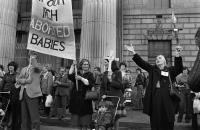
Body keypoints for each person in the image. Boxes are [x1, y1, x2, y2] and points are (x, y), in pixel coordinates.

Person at [125, 44, 183, 130]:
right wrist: (134, 52)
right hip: (156, 98)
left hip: (168, 99)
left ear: (164, 61)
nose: (157, 59)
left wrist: (177, 55)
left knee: (168, 120)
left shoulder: (170, 70)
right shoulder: (152, 69)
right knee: (156, 121)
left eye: (159, 58)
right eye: (156, 59)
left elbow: (179, 68)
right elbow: (142, 63)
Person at [16, 53, 42, 130]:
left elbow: (29, 80)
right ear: (28, 59)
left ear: (36, 60)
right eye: (30, 58)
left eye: (34, 58)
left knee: (34, 116)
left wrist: (21, 81)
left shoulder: (38, 68)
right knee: (24, 116)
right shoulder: (24, 69)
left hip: (33, 94)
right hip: (23, 93)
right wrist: (22, 81)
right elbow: (17, 80)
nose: (31, 59)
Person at [68, 59, 95, 129]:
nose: (86, 65)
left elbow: (89, 83)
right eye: (84, 64)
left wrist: (81, 78)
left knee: (84, 121)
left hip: (85, 99)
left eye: (87, 64)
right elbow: (70, 75)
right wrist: (73, 65)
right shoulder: (78, 73)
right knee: (77, 121)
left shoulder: (90, 74)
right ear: (81, 65)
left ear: (89, 66)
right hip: (76, 98)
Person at [1, 61, 21, 130]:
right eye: (9, 67)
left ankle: (10, 124)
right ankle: (4, 123)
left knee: (12, 110)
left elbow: (18, 85)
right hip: (5, 94)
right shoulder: (6, 75)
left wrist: (13, 91)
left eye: (12, 67)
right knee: (5, 110)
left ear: (14, 68)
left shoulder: (17, 75)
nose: (10, 68)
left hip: (13, 95)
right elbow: (2, 84)